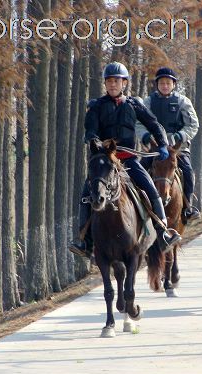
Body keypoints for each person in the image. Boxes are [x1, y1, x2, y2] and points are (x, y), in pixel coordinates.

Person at [69, 62, 182, 258]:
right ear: (105, 84)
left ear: (124, 83)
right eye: (109, 81)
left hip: (128, 160)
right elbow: (90, 131)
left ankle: (163, 231)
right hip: (106, 162)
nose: (112, 84)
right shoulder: (96, 106)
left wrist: (162, 144)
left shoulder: (134, 104)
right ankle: (84, 241)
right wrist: (96, 141)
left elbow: (154, 124)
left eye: (116, 81)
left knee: (150, 187)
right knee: (87, 192)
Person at [137, 67, 201, 221]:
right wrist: (146, 137)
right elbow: (139, 123)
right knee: (139, 171)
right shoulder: (148, 102)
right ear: (157, 84)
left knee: (188, 172)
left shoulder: (183, 102)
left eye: (168, 83)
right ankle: (137, 205)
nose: (165, 86)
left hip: (178, 149)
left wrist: (180, 136)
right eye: (162, 83)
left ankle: (188, 207)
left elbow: (193, 125)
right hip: (155, 148)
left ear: (174, 84)